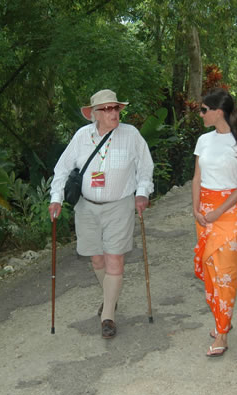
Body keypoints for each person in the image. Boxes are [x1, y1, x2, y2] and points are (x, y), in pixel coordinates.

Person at [49, 89, 154, 339]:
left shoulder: (131, 135)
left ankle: (108, 315)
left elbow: (145, 167)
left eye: (116, 108)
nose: (114, 113)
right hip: (86, 207)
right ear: (94, 114)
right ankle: (111, 297)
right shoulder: (82, 137)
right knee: (97, 260)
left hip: (120, 205)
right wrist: (56, 199)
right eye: (107, 109)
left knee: (114, 258)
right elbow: (62, 168)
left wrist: (143, 193)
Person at [193, 88, 237, 357]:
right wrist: (196, 208)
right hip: (204, 213)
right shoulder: (203, 141)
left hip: (229, 213)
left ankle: (222, 334)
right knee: (210, 272)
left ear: (219, 112)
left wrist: (218, 212)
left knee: (226, 274)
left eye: (204, 110)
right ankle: (221, 320)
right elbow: (197, 177)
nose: (201, 114)